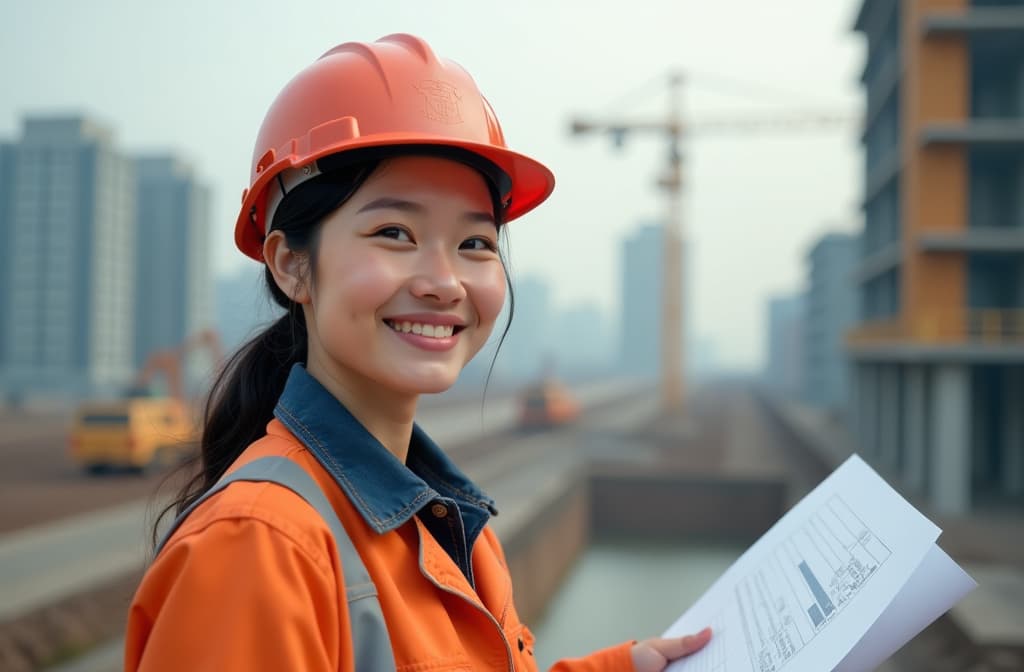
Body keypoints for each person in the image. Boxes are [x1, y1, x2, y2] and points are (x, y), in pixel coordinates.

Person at [124, 33, 712, 671]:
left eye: (475, 244)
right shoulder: (260, 548)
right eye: (394, 232)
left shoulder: (454, 527)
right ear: (292, 265)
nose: (444, 281)